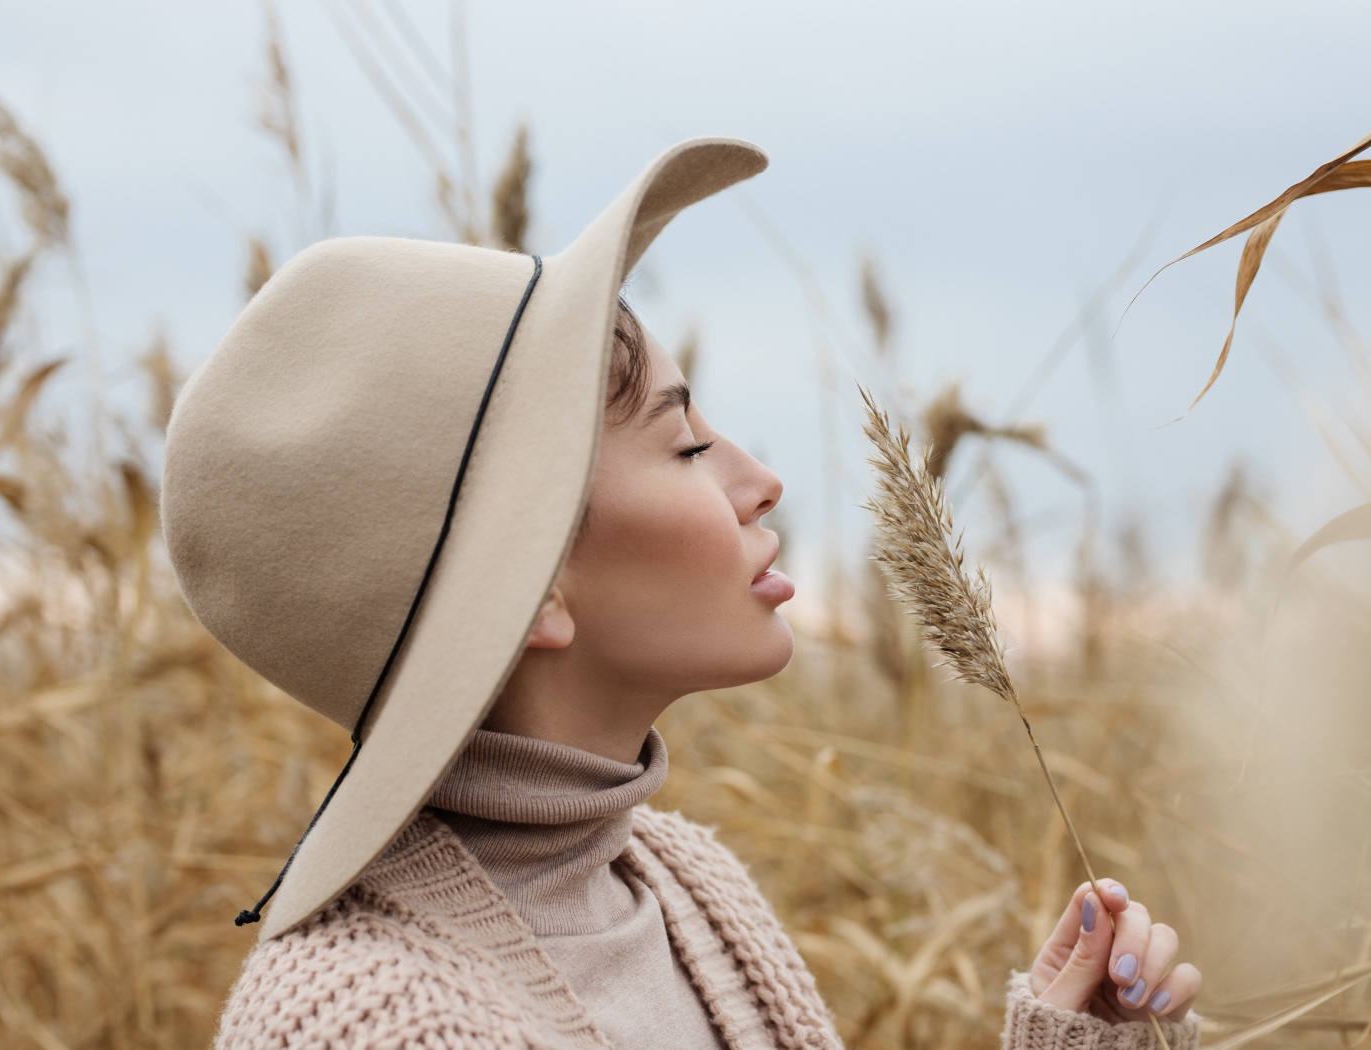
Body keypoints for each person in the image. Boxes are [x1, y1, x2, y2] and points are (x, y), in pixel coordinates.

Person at [161, 138, 1201, 1049]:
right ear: (532, 588)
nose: (759, 480)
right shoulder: (370, 1020)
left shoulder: (678, 881)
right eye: (686, 444)